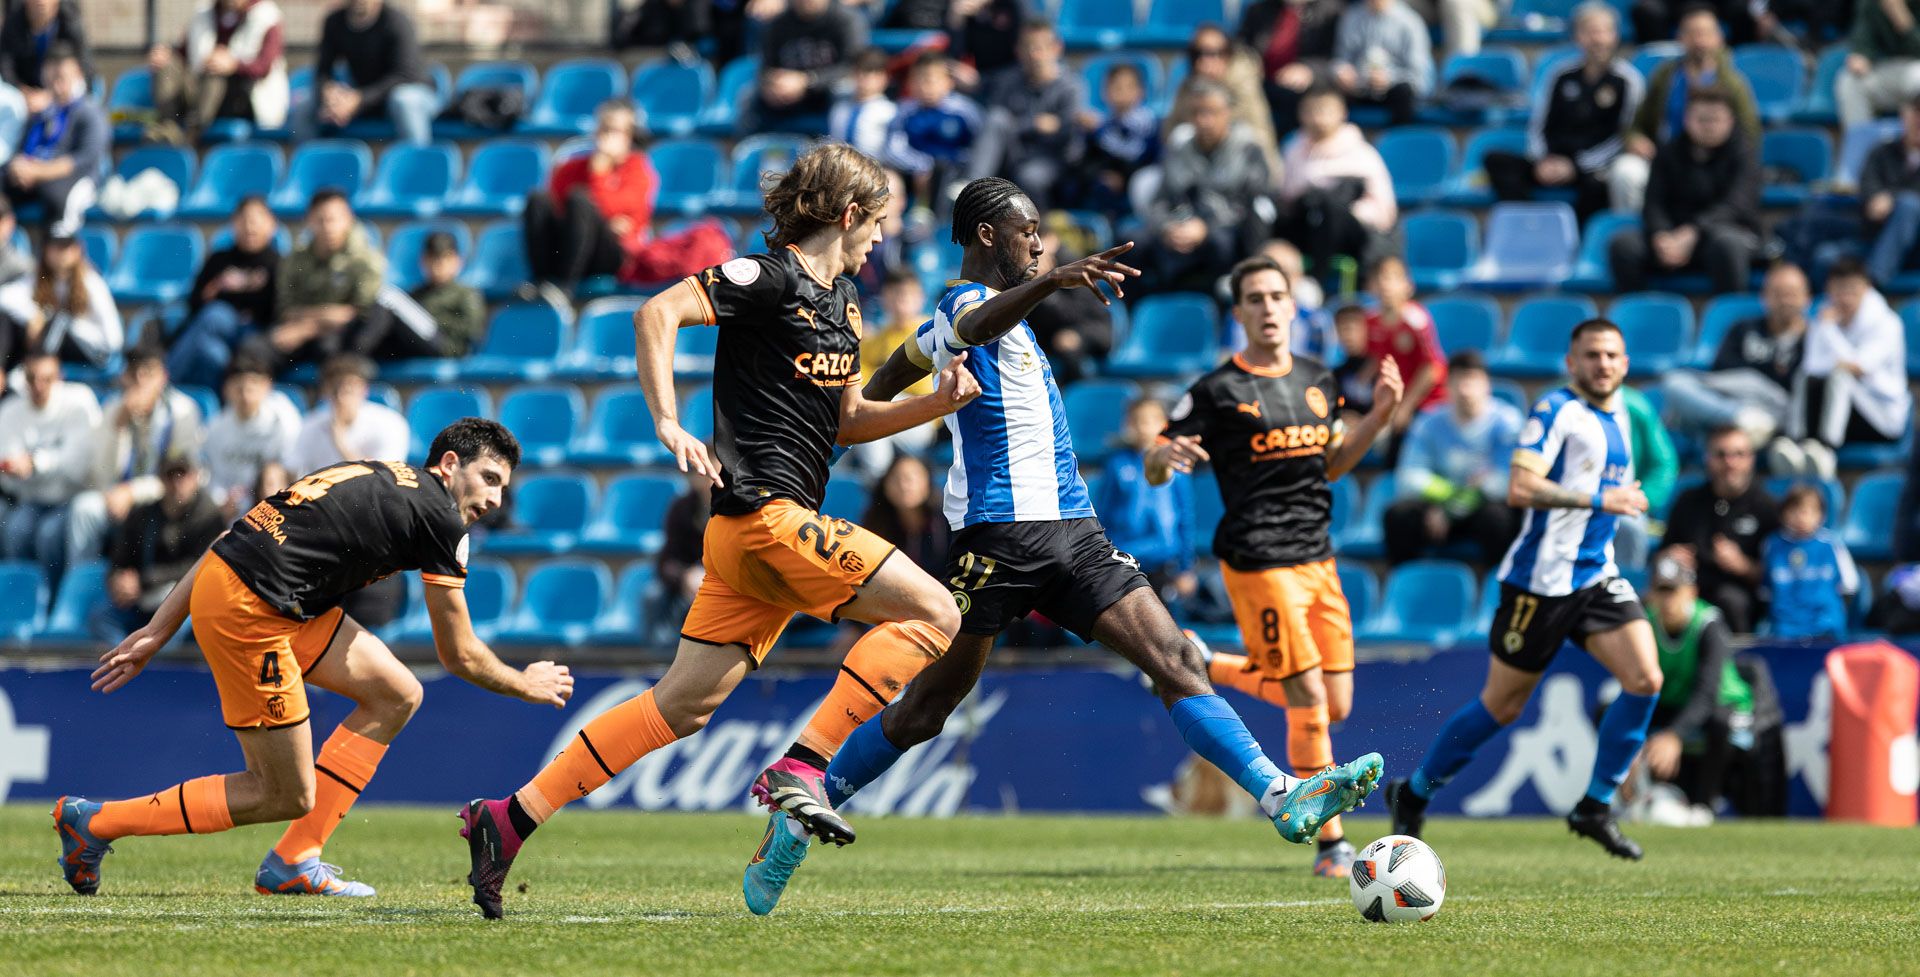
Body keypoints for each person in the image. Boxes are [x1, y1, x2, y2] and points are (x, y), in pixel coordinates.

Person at [745, 179, 1384, 913]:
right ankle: (803, 804)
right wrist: (1048, 283)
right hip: (1000, 537)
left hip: (1076, 533)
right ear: (988, 235)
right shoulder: (964, 304)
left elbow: (901, 366)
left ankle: (1280, 793)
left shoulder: (985, 323)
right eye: (1029, 232)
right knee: (927, 708)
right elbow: (965, 327)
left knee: (1174, 658)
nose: (1041, 244)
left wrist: (867, 399)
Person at [458, 144, 987, 921]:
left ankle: (509, 818)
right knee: (938, 612)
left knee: (678, 709)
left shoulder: (843, 303)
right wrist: (668, 420)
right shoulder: (767, 278)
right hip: (769, 520)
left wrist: (935, 405)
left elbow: (846, 423)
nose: (884, 237)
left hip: (759, 545)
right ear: (848, 215)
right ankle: (803, 766)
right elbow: (655, 311)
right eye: (880, 221)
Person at [55, 419, 576, 898]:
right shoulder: (441, 519)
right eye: (489, 478)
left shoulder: (378, 474)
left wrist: (160, 626)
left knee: (395, 694)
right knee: (282, 793)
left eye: (503, 486)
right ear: (449, 465)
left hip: (258, 593)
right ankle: (96, 822)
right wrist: (523, 683)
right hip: (251, 611)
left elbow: (229, 538)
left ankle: (296, 857)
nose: (494, 498)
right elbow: (459, 655)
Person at [1148, 253, 1403, 877]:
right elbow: (1157, 455)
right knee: (1308, 697)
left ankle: (1212, 663)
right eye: (1254, 298)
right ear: (1239, 314)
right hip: (1258, 559)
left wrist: (1379, 417)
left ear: (1293, 307)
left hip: (1319, 556)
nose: (1267, 308)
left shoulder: (1319, 378)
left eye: (1275, 296)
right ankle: (1332, 844)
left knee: (1334, 702)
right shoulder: (1217, 389)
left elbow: (1334, 462)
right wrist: (1164, 457)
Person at [1387, 319, 1662, 861]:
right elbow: (1520, 486)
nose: (1602, 364)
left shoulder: (1628, 412)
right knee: (1502, 706)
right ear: (1571, 362)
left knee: (1645, 677)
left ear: (1625, 363)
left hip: (1595, 573)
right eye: (1591, 355)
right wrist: (1598, 502)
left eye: (1611, 355)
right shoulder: (1556, 411)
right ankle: (1414, 791)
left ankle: (1595, 806)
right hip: (1540, 583)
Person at [1483, 2, 1642, 225]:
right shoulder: (1559, 75)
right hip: (1550, 160)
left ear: (1615, 36)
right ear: (1578, 36)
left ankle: (1579, 241)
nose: (1599, 39)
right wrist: (1543, 160)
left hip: (1592, 166)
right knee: (1496, 160)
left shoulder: (1628, 81)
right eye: (1591, 32)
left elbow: (1621, 137)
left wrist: (1575, 166)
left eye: (1605, 31)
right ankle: (1528, 227)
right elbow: (1539, 125)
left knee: (1600, 184)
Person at [1608, 87, 1761, 296]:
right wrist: (1660, 235)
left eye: (1715, 119)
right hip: (1672, 237)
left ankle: (1728, 317)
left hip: (1723, 234)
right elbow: (1653, 203)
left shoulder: (1745, 154)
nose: (1708, 126)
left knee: (1727, 245)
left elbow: (1736, 205)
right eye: (1702, 119)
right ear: (1687, 119)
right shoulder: (1669, 151)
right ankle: (1640, 314)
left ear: (1730, 121)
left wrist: (1693, 232)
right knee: (1623, 245)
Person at [1638, 552, 1757, 818]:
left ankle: (1705, 806)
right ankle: (1626, 797)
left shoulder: (1709, 624)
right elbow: (1633, 684)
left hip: (1722, 703)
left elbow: (1706, 692)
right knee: (1610, 713)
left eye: (1674, 591)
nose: (1667, 601)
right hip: (1672, 702)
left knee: (1719, 721)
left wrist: (1674, 734)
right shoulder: (1643, 623)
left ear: (1691, 591)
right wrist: (1625, 746)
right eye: (1661, 591)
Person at [66, 346, 205, 575]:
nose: (141, 380)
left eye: (149, 372)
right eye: (134, 372)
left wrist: (132, 492)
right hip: (117, 496)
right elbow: (99, 475)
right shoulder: (114, 407)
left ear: (163, 377)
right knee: (81, 511)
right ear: (125, 377)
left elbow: (181, 475)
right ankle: (81, 582)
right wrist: (117, 427)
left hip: (163, 498)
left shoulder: (183, 412)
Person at [1610, 5, 1760, 214]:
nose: (1699, 41)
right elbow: (1637, 124)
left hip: (1711, 164)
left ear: (1719, 38)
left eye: (1705, 33)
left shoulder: (1733, 84)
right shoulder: (1665, 77)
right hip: (1663, 160)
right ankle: (1638, 230)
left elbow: (1749, 132)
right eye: (1692, 33)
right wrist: (1636, 138)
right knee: (1626, 171)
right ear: (1680, 38)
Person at [1385, 350, 1522, 566]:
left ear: (1487, 385)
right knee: (1397, 516)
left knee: (1499, 519)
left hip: (1482, 510)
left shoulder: (1507, 423)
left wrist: (1451, 510)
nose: (1465, 390)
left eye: (1472, 381)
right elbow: (1408, 477)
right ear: (1447, 386)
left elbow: (1505, 483)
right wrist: (1444, 501)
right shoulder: (1428, 423)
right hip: (1437, 510)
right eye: (1458, 381)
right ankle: (1410, 585)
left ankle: (1498, 587)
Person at [1139, 81, 1275, 294]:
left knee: (1220, 242)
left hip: (1227, 231)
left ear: (1228, 113)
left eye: (1211, 112)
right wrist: (1167, 227)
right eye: (1197, 113)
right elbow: (1160, 200)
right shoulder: (1178, 149)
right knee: (1131, 242)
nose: (1204, 120)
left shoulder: (1248, 149)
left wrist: (1205, 227)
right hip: (1179, 226)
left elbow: (1251, 204)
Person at [1782, 257, 1911, 478]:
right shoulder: (1823, 315)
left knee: (1840, 377)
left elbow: (1856, 367)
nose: (1845, 298)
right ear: (1828, 289)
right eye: (1839, 290)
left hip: (1881, 418)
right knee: (1804, 376)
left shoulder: (1887, 323)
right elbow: (1812, 367)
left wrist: (1830, 331)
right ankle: (1797, 445)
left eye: (1852, 290)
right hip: (1842, 411)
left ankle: (1826, 450)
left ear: (1866, 288)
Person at [1660, 261, 1807, 445]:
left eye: (1791, 294)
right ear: (1764, 296)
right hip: (1731, 401)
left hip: (1775, 410)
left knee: (1683, 416)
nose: (1785, 301)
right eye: (1777, 294)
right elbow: (1721, 374)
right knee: (1674, 383)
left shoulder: (1813, 338)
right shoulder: (1743, 328)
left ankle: (1736, 424)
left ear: (1806, 298)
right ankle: (1741, 419)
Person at [521, 101, 655, 302]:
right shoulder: (570, 168)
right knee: (537, 199)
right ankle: (540, 281)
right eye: (603, 128)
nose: (606, 136)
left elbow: (626, 211)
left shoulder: (638, 169)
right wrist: (605, 218)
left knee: (579, 199)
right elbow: (555, 211)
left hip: (610, 254)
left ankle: (565, 286)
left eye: (615, 130)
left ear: (630, 136)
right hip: (570, 246)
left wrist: (599, 171)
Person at [91, 452, 226, 643]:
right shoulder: (143, 515)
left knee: (188, 624)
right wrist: (119, 581)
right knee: (101, 617)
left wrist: (145, 580)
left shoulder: (209, 516)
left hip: (184, 602)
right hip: (141, 601)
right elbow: (119, 558)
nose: (177, 482)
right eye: (170, 475)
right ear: (161, 479)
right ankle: (126, 661)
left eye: (182, 474)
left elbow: (200, 566)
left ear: (195, 477)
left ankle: (151, 666)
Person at [1662, 425, 1779, 633]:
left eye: (1739, 454)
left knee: (1730, 600)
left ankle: (1736, 664)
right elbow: (1662, 554)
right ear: (1708, 459)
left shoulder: (1766, 508)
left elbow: (1781, 575)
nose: (1730, 463)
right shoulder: (1688, 501)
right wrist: (1670, 557)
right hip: (1689, 589)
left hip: (1740, 596)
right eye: (1721, 455)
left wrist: (1744, 566)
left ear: (1751, 459)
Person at [1275, 87, 1396, 286]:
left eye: (1324, 110)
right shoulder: (1292, 149)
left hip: (1349, 231)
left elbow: (1383, 208)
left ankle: (1316, 282)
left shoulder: (1362, 154)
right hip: (1305, 225)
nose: (1317, 118)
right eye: (1311, 111)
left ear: (1342, 113)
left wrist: (1345, 212)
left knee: (1330, 206)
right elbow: (1285, 197)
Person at [165, 195, 280, 389]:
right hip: (214, 334)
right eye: (243, 220)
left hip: (254, 334)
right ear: (233, 224)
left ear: (271, 225)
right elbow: (195, 302)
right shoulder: (219, 259)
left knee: (216, 313)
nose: (249, 226)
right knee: (211, 353)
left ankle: (164, 381)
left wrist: (224, 293)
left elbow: (270, 308)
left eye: (256, 220)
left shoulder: (277, 263)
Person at [0, 349, 96, 571]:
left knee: (49, 536)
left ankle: (54, 596)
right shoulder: (10, 410)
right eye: (32, 378)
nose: (38, 386)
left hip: (71, 499)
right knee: (15, 531)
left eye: (47, 379)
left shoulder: (79, 402)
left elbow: (77, 464)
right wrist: (19, 470)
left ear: (59, 377)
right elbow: (8, 477)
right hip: (31, 502)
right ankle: (23, 595)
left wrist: (34, 465)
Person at [265, 189, 384, 367]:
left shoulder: (367, 260)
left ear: (348, 219)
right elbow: (286, 309)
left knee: (328, 348)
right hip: (295, 332)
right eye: (320, 220)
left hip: (342, 335)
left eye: (333, 219)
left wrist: (307, 329)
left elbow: (361, 314)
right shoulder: (294, 259)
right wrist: (326, 316)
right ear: (309, 221)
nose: (328, 227)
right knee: (257, 350)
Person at [972, 21, 1083, 210]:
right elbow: (998, 126)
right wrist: (1035, 124)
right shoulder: (1008, 81)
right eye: (1028, 47)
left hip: (1052, 159)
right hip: (1015, 153)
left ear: (1056, 48)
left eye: (1040, 47)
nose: (1034, 54)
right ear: (1018, 51)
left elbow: (1069, 138)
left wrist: (1030, 126)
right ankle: (973, 192)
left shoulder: (1071, 87)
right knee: (997, 118)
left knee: (1029, 176)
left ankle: (1040, 231)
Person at [1094, 398, 1196, 602]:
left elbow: (1185, 516)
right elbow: (1103, 513)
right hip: (1125, 561)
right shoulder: (1117, 464)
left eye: (1151, 420)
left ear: (1164, 424)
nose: (1144, 427)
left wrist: (1185, 567)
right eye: (1137, 421)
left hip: (1164, 563)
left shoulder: (1176, 468)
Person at [148, 0, 289, 142]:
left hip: (242, 99)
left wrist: (233, 64)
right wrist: (165, 55)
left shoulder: (267, 17)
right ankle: (167, 126)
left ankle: (191, 135)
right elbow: (182, 54)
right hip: (200, 91)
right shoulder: (203, 15)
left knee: (216, 70)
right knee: (167, 65)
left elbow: (264, 67)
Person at [301, 0, 436, 145]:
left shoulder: (396, 21)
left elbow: (404, 75)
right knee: (305, 106)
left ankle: (417, 162)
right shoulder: (334, 22)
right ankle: (311, 165)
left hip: (416, 93)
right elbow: (323, 71)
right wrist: (328, 93)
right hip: (365, 97)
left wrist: (358, 99)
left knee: (403, 101)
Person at [4, 45, 105, 237]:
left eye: (61, 78)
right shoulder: (41, 113)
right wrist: (18, 167)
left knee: (55, 196)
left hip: (70, 180)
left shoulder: (89, 112)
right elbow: (20, 148)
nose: (56, 86)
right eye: (51, 79)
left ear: (77, 75)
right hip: (31, 176)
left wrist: (39, 172)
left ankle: (54, 257)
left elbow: (85, 159)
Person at [1164, 23, 1281, 175]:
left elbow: (1254, 130)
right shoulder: (1189, 85)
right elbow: (1169, 130)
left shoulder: (1243, 80)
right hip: (1199, 163)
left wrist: (1209, 106)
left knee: (1243, 135)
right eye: (1198, 54)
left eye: (1215, 53)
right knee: (1181, 135)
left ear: (1228, 54)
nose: (1205, 60)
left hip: (1242, 170)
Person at [0, 228, 119, 369]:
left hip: (93, 350)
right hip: (57, 345)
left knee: (58, 321)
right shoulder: (38, 278)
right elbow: (4, 297)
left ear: (77, 250)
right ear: (45, 251)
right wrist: (35, 315)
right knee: (9, 319)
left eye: (66, 247)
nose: (61, 253)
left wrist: (67, 324)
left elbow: (114, 339)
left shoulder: (92, 282)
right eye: (55, 247)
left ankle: (36, 368)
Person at [743, 0, 867, 135]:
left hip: (826, 91)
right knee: (748, 95)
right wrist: (771, 84)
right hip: (787, 93)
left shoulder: (846, 19)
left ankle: (839, 150)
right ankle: (746, 151)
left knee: (844, 89)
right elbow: (766, 67)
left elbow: (852, 67)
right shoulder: (779, 23)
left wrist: (807, 81)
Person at [203, 350, 301, 517]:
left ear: (266, 386)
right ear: (227, 388)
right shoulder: (217, 427)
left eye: (252, 385)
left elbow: (293, 469)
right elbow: (214, 478)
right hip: (232, 513)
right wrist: (221, 502)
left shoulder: (283, 418)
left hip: (278, 507)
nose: (245, 395)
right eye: (239, 387)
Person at [283, 354, 408, 484]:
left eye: (349, 388)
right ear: (325, 391)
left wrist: (341, 441)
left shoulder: (390, 423)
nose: (341, 396)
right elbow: (291, 470)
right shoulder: (311, 423)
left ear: (364, 389)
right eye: (335, 388)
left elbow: (385, 481)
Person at [1363, 255, 1447, 440]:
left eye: (1392, 277)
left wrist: (1405, 407)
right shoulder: (1370, 321)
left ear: (1408, 286)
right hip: (1395, 399)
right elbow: (1376, 361)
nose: (1385, 284)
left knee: (1396, 439)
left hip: (1427, 401)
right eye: (1379, 278)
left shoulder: (1416, 320)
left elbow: (1432, 369)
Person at [882, 55, 982, 209]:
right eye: (918, 81)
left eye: (930, 81)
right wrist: (922, 165)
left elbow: (981, 146)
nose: (924, 87)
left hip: (957, 172)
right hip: (916, 175)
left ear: (948, 83)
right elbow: (893, 149)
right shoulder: (904, 112)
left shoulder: (965, 111)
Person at [1024, 218, 1115, 387]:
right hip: (1048, 333)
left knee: (1066, 342)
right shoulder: (1024, 268)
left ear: (1052, 239)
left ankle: (1080, 399)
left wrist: (1045, 286)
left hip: (1089, 328)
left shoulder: (1073, 265)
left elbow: (1075, 315)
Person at [1762, 483, 1859, 639]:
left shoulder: (1831, 544)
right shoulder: (1772, 545)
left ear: (1822, 515)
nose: (1801, 517)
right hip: (1784, 629)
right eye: (1794, 510)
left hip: (1825, 627)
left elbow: (1850, 585)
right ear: (1784, 513)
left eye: (1808, 511)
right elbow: (1766, 591)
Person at [1237, 0, 1345, 140]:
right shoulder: (1258, 10)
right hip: (1263, 83)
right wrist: (1251, 65)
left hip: (1307, 88)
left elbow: (1339, 57)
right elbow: (1241, 48)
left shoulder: (1332, 10)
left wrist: (1309, 69)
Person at [1074, 59, 1159, 218]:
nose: (1121, 92)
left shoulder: (1146, 122)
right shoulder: (1106, 121)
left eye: (1128, 87)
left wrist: (1099, 130)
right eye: (1115, 87)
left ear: (1141, 91)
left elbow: (1133, 154)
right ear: (1104, 92)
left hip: (1135, 182)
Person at [1329, 0, 1433, 127]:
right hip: (1358, 87)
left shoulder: (1410, 22)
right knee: (1330, 96)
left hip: (1393, 91)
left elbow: (1420, 76)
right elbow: (1340, 59)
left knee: (1404, 93)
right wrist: (1342, 71)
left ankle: (1399, 143)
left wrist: (1390, 78)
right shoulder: (1351, 17)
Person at [643, 468, 709, 648]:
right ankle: (662, 663)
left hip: (728, 585)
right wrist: (685, 576)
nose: (709, 479)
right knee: (652, 595)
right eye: (703, 472)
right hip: (686, 586)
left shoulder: (739, 508)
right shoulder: (681, 508)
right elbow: (666, 560)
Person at [1616, 384, 1678, 572]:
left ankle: (1625, 589)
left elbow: (1664, 464)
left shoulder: (1634, 406)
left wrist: (1641, 500)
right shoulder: (1557, 405)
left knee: (1631, 527)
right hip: (1572, 504)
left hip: (1624, 506)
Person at [1836, 0, 1920, 132]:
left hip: (1916, 69)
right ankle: (1860, 147)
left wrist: (1903, 20)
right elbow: (1862, 38)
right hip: (1888, 70)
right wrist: (1861, 55)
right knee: (1850, 82)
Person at [859, 453, 947, 575]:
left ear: (928, 481)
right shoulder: (876, 525)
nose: (904, 485)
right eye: (896, 478)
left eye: (911, 478)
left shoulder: (948, 522)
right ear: (885, 486)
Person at [406, 231, 485, 358]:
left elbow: (473, 329)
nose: (438, 266)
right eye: (432, 259)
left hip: (448, 348)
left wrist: (433, 319)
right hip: (418, 349)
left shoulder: (465, 293)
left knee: (391, 300)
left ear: (457, 261)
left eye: (445, 259)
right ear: (423, 261)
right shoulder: (416, 293)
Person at [0, 0, 89, 108]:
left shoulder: (69, 20)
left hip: (60, 87)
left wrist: (50, 95)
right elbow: (6, 68)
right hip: (25, 93)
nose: (41, 2)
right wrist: (25, 93)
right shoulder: (13, 23)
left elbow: (84, 65)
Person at [828, 49, 897, 160]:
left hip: (876, 168)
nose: (863, 78)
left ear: (884, 77)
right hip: (840, 166)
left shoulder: (890, 111)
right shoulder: (840, 108)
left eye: (871, 73)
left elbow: (894, 149)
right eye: (859, 72)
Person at [1329, 304, 1376, 418]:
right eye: (1342, 330)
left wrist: (1364, 422)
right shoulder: (1337, 373)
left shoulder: (1383, 368)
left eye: (1352, 329)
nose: (1347, 336)